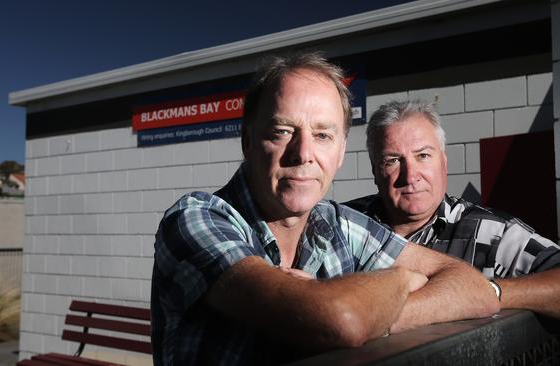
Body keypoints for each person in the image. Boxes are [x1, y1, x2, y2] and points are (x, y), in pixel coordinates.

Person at [151, 55, 500, 365]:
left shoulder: (337, 224)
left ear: (342, 151)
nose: (303, 153)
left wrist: (375, 311)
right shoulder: (195, 219)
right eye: (282, 131)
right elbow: (340, 320)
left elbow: (476, 290)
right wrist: (400, 279)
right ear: (248, 140)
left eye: (323, 135)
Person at [345, 99, 560, 325]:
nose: (411, 175)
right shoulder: (344, 225)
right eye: (393, 160)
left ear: (444, 162)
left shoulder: (489, 233)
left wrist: (487, 292)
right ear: (375, 170)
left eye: (423, 156)